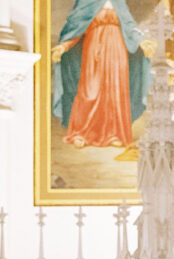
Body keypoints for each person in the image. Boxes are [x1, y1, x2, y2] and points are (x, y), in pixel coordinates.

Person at [51, 0, 152, 149]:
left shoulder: (119, 2)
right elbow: (76, 26)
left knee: (115, 91)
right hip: (94, 47)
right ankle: (81, 132)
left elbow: (130, 26)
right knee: (90, 90)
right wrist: (64, 46)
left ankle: (114, 134)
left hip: (117, 49)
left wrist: (142, 42)